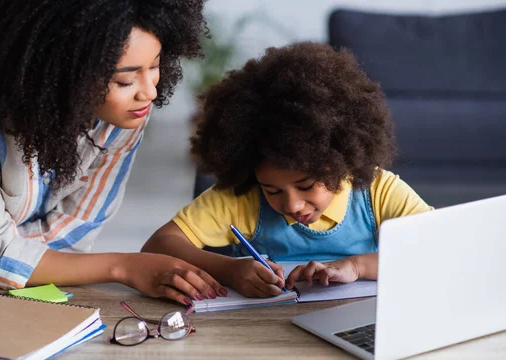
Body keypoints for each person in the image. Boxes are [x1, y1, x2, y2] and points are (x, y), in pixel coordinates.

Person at [0, 0, 227, 306]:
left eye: (155, 65)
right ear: (66, 72)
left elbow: (71, 236)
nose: (150, 91)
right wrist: (126, 267)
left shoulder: (129, 110)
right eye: (126, 80)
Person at [142, 42, 434, 298]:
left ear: (339, 160)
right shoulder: (243, 197)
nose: (292, 204)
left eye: (306, 186)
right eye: (272, 190)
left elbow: (440, 246)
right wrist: (229, 270)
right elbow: (157, 245)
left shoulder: (377, 192)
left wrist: (357, 266)